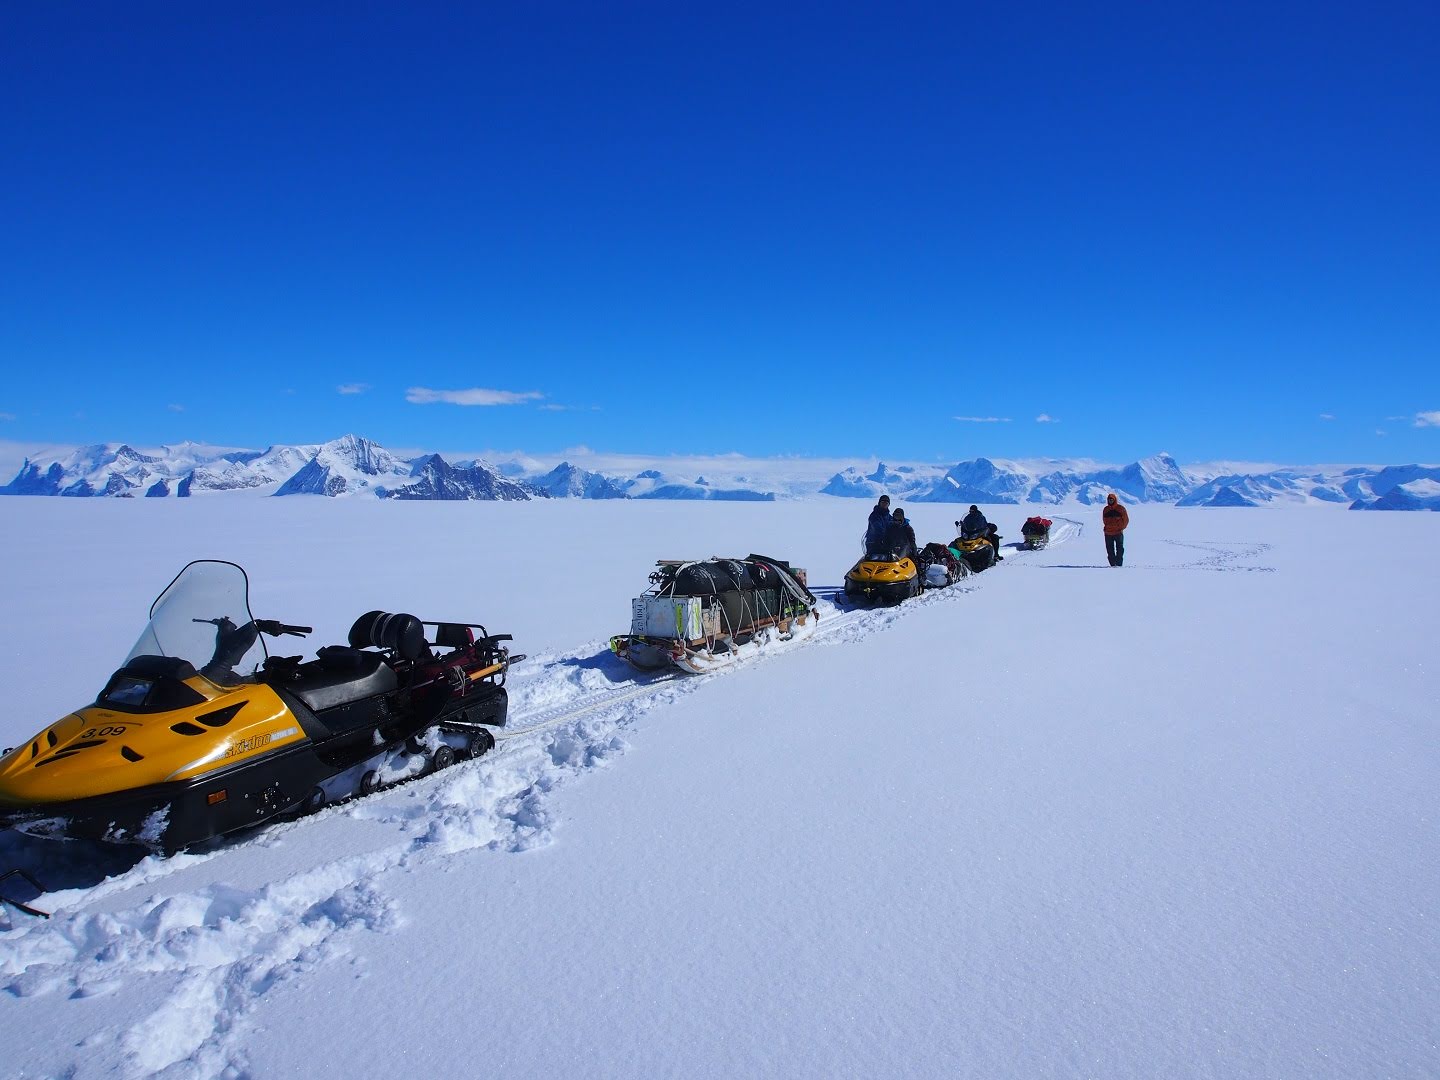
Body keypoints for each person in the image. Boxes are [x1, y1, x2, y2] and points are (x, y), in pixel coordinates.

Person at [1103, 492, 1129, 566]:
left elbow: (1126, 520)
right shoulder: (1106, 509)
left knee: (1120, 550)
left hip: (1118, 533)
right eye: (1109, 500)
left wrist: (1120, 528)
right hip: (1108, 533)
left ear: (1115, 500)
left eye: (1111, 500)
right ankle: (1113, 565)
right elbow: (1104, 520)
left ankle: (1119, 565)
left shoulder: (1121, 509)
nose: (1110, 501)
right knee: (1110, 551)